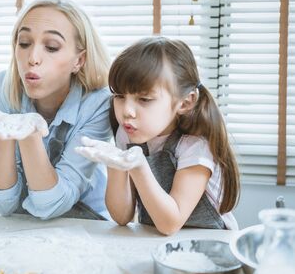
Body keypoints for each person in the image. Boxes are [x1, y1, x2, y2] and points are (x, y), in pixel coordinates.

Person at [0, 0, 112, 220]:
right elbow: (1, 204)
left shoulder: (99, 103)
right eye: (24, 43)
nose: (32, 58)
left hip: (86, 223)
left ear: (79, 60)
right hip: (21, 225)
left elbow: (51, 205)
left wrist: (29, 131)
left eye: (51, 47)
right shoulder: (1, 87)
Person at [76, 37, 240, 234]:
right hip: (157, 243)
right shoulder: (127, 135)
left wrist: (138, 166)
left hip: (210, 246)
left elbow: (170, 223)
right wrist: (115, 165)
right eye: (119, 96)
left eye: (144, 99)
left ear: (185, 102)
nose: (127, 110)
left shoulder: (195, 147)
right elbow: (121, 217)